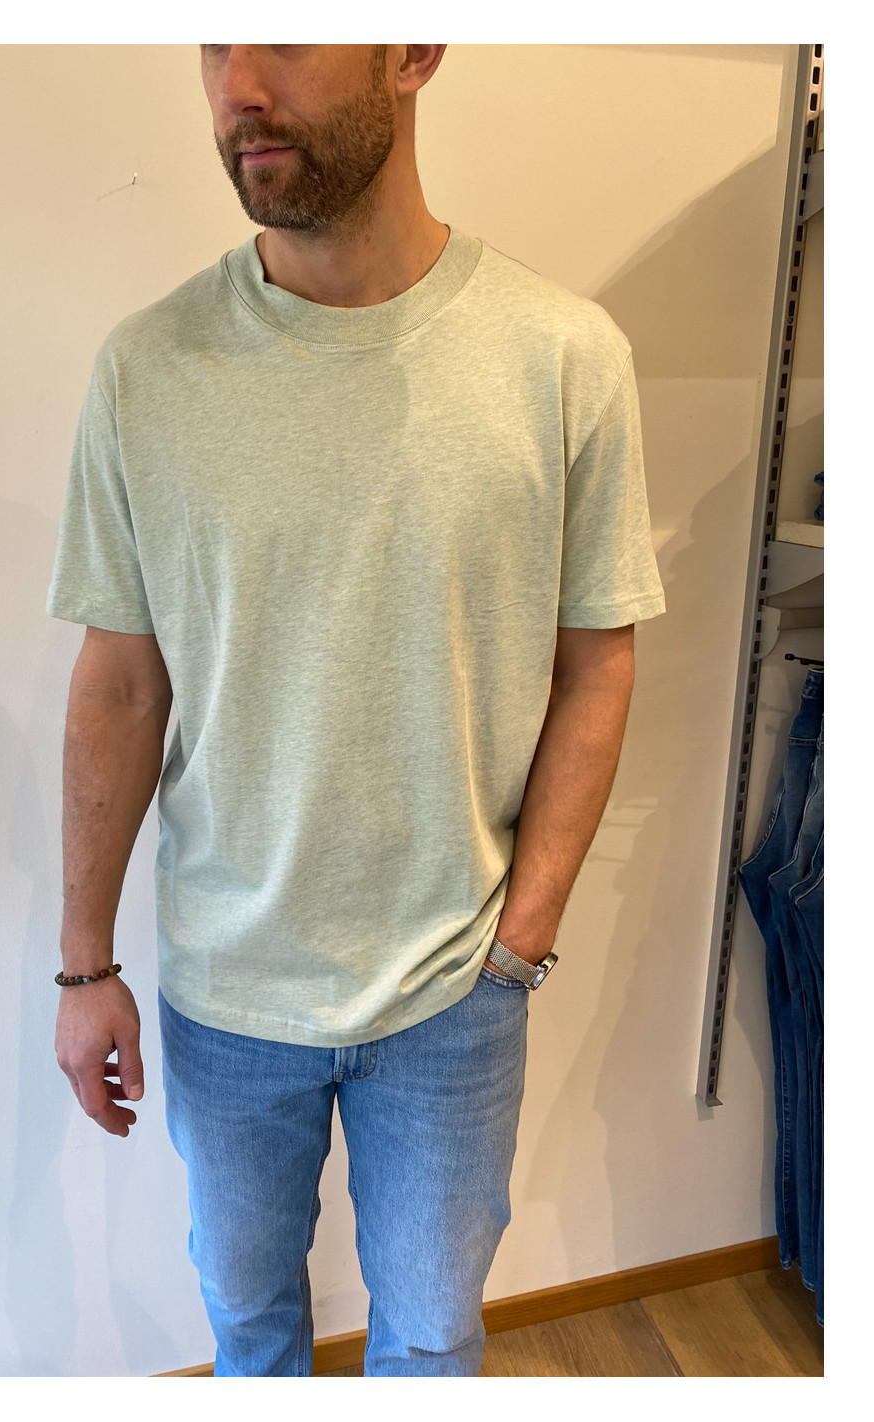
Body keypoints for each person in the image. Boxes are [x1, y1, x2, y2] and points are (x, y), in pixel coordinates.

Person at [47, 44, 666, 1378]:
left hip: (455, 989)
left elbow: (596, 663)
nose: (238, 84)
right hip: (226, 992)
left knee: (431, 1343)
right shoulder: (148, 369)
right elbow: (122, 683)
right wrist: (85, 965)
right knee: (250, 1331)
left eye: (287, 29)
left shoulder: (563, 357)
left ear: (414, 46)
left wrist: (522, 941)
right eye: (215, 39)